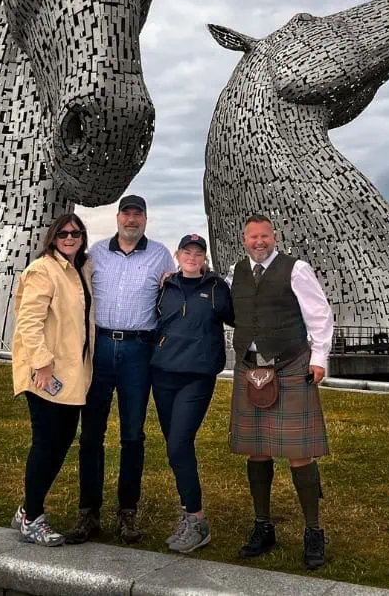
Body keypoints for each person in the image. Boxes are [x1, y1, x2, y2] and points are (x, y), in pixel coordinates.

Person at [64, 194, 175, 545]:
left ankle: (128, 512)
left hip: (137, 351)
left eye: (137, 215)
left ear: (145, 219)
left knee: (132, 436)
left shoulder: (160, 255)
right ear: (117, 218)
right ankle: (89, 512)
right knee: (91, 434)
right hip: (100, 350)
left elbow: (171, 296)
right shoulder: (96, 253)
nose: (131, 220)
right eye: (126, 214)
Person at [229, 213, 333, 571]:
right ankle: (263, 526)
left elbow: (319, 314)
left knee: (299, 452)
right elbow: (234, 311)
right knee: (256, 450)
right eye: (252, 237)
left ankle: (314, 531)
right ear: (244, 240)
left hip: (290, 364)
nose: (259, 242)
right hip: (250, 366)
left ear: (274, 237)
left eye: (265, 236)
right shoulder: (237, 272)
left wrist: (319, 358)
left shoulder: (296, 268)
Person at [9, 212, 95, 546]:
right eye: (63, 234)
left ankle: (27, 508)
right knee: (46, 444)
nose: (70, 238)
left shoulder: (79, 270)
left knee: (59, 444)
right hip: (47, 375)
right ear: (53, 238)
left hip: (73, 375)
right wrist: (42, 365)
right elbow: (28, 322)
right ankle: (32, 517)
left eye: (76, 233)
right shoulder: (42, 270)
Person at [151, 233, 234, 554]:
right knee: (175, 449)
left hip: (196, 377)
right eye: (187, 251)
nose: (192, 257)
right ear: (178, 254)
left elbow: (239, 317)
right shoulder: (166, 287)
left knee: (179, 443)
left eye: (198, 253)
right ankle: (188, 510)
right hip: (163, 375)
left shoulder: (216, 290)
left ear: (204, 258)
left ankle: (197, 521)